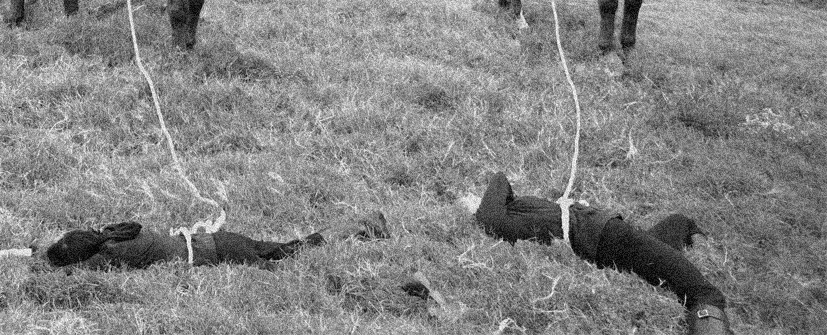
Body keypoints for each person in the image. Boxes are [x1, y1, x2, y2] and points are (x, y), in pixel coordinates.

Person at [462, 172, 731, 334]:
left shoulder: (516, 212)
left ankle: (705, 251)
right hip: (611, 239)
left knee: (678, 223)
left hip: (613, 236)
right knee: (704, 294)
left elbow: (503, 188)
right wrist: (483, 206)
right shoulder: (494, 222)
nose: (472, 198)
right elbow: (499, 179)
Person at [41, 211, 386, 271]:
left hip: (220, 251)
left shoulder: (110, 255)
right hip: (220, 240)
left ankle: (360, 226)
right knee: (288, 248)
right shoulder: (115, 234)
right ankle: (360, 225)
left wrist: (38, 258)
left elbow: (71, 272)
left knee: (289, 258)